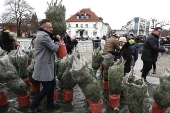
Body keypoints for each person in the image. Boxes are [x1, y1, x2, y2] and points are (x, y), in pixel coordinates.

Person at [31, 19, 60, 113]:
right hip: (43, 66)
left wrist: (54, 39)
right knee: (47, 87)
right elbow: (54, 48)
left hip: (48, 65)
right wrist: (57, 41)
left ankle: (50, 103)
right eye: (50, 27)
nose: (52, 29)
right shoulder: (43, 36)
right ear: (44, 28)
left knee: (52, 84)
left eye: (51, 27)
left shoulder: (43, 34)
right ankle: (34, 105)